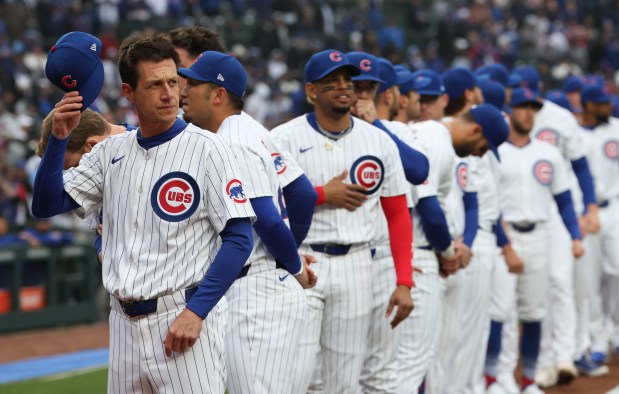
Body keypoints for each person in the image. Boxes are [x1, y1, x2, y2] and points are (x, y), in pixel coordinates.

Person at [32, 33, 255, 392]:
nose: (169, 94)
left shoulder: (209, 148)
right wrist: (59, 138)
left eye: (172, 82)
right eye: (155, 85)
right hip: (122, 323)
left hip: (179, 317)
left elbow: (240, 239)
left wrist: (197, 311)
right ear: (129, 92)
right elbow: (45, 205)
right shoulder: (110, 152)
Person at [271, 49, 415, 393]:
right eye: (331, 81)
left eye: (347, 80)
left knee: (345, 376)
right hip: (302, 259)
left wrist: (404, 281)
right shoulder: (283, 138)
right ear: (311, 91)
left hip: (357, 262)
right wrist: (321, 194)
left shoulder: (378, 140)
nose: (342, 86)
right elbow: (268, 206)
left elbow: (398, 213)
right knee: (297, 371)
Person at [178, 50, 315, 394]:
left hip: (256, 296)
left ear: (218, 94)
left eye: (193, 84)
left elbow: (266, 220)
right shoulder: (253, 129)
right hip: (268, 284)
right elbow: (303, 194)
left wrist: (293, 263)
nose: (183, 92)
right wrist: (285, 260)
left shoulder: (233, 141)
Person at [485, 88, 584, 394]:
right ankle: (494, 379)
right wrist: (506, 245)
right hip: (505, 235)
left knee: (533, 313)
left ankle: (528, 379)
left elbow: (565, 200)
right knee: (499, 312)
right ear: (509, 110)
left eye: (532, 108)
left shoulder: (548, 152)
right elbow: (489, 204)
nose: (528, 113)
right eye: (522, 107)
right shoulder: (494, 151)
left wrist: (575, 235)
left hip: (539, 235)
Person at [577, 83, 619, 373]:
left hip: (615, 206)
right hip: (585, 213)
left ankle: (613, 330)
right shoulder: (573, 133)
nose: (608, 106)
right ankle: (597, 339)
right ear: (588, 105)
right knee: (590, 278)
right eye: (602, 103)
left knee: (616, 270)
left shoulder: (616, 128)